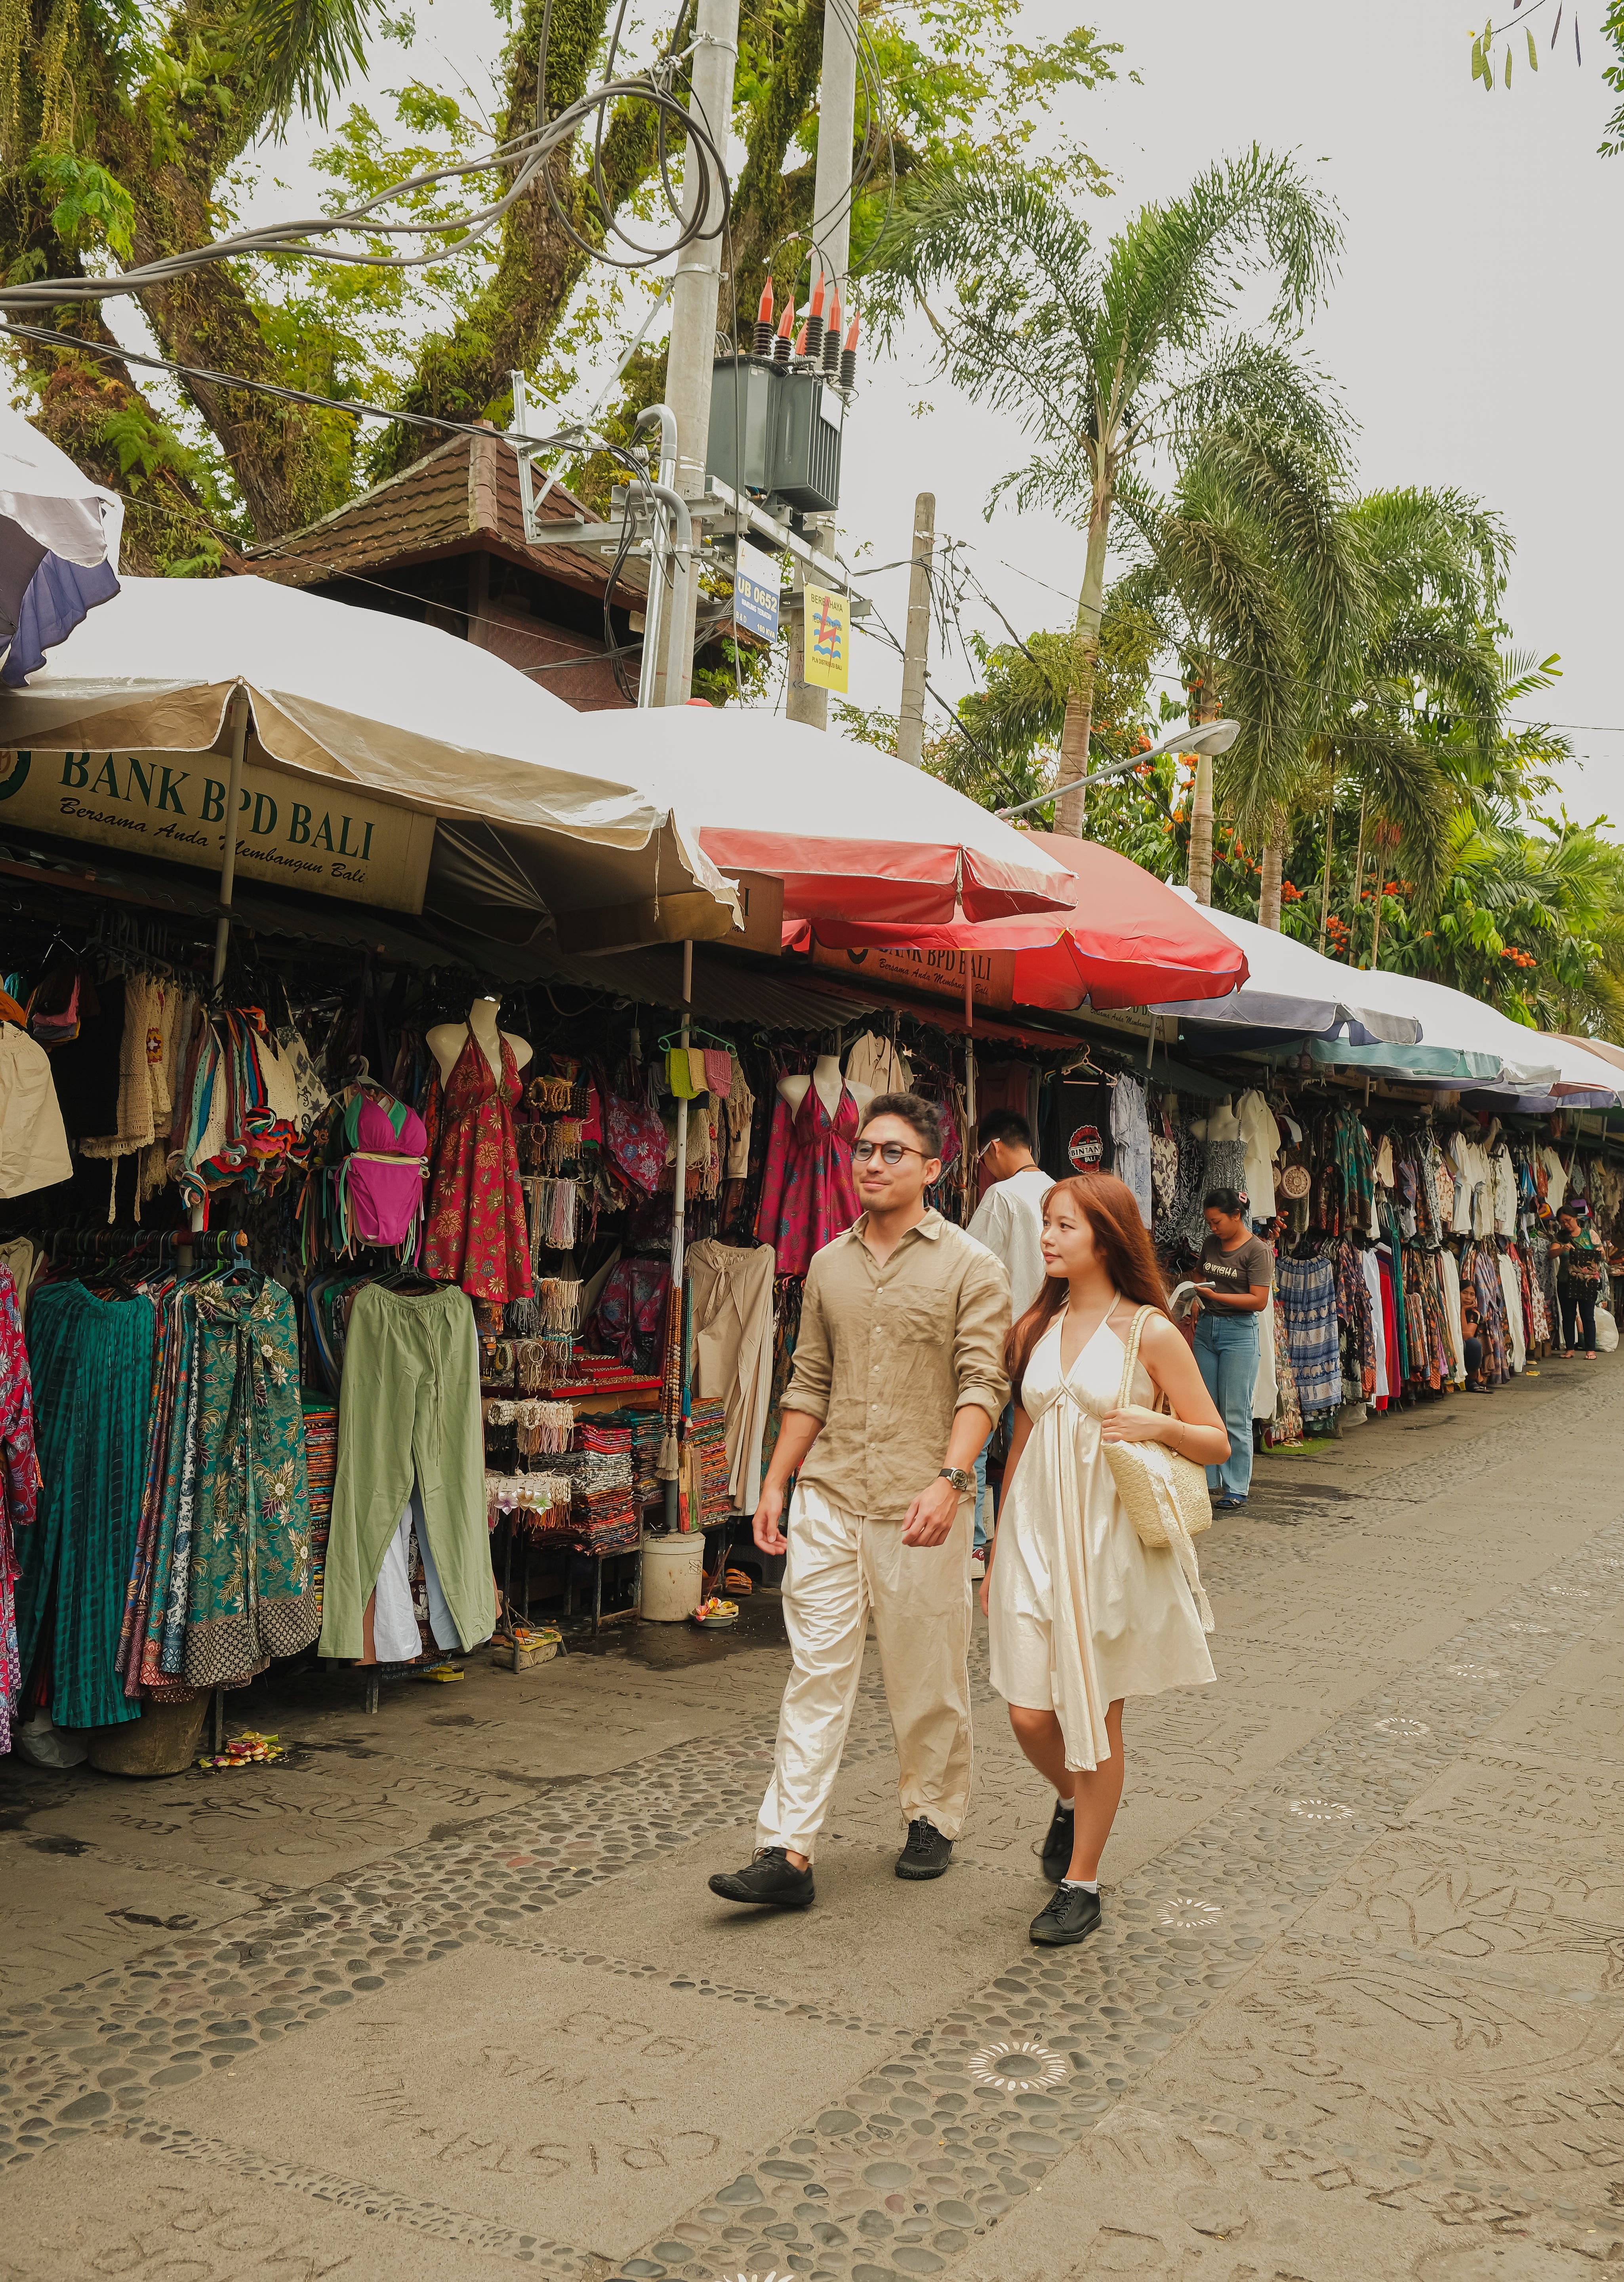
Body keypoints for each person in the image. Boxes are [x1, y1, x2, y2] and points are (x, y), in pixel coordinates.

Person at [708, 1091, 1012, 1911]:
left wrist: (951, 1480)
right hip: (832, 1495)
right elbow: (810, 1379)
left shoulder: (971, 1268)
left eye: (892, 1153)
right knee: (816, 1672)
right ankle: (787, 1849)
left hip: (922, 1501)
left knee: (926, 1674)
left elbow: (984, 1382)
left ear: (933, 1169)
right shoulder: (827, 1265)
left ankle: (932, 1816)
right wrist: (774, 1482)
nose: (871, 1165)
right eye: (864, 1151)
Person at [982, 1172, 1228, 1948]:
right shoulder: (1035, 1328)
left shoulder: (1149, 1330)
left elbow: (1214, 1438)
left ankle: (1080, 1881)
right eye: (1046, 1225)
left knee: (1095, 1711)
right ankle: (1073, 1799)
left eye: (1064, 1227)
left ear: (1105, 1237)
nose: (1048, 1238)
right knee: (1027, 1713)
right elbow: (1021, 1437)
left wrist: (1152, 1428)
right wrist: (993, 1548)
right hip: (1031, 1533)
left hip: (1106, 1539)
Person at [965, 1111, 1054, 1577]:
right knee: (1037, 1445)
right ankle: (1032, 1541)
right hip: (1050, 1344)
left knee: (975, 1441)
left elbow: (971, 1264)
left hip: (1001, 1340)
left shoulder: (1001, 1196)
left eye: (982, 1157)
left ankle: (976, 1548)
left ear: (994, 1148)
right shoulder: (1062, 1193)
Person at [1189, 1188, 1272, 1511]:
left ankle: (1236, 1487)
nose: (1213, 1228)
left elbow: (1259, 1300)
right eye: (1209, 1222)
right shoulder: (1211, 1244)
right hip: (1207, 1330)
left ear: (1236, 1216)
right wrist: (1195, 1294)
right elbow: (1201, 1273)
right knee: (1203, 1409)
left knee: (1235, 1413)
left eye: (1217, 1221)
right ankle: (1208, 1480)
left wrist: (1216, 1296)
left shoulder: (1257, 1251)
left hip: (1239, 1333)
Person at [1552, 1202, 1604, 1358]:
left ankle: (1591, 1350)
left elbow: (1602, 1255)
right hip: (1566, 1281)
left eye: (1568, 1220)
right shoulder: (1561, 1237)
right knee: (1568, 1316)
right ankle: (1570, 1349)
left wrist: (1597, 1253)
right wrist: (1563, 1249)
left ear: (1576, 1218)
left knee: (1588, 1316)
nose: (1566, 1224)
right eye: (1562, 1222)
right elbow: (1551, 1254)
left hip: (1587, 1282)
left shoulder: (1590, 1234)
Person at [1460, 1279, 1488, 1390]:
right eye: (1465, 1293)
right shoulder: (1449, 1309)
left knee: (1474, 1344)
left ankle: (1471, 1381)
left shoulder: (1474, 1314)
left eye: (1472, 1295)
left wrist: (1463, 1311)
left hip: (1463, 1344)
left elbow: (1467, 1336)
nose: (1468, 1298)